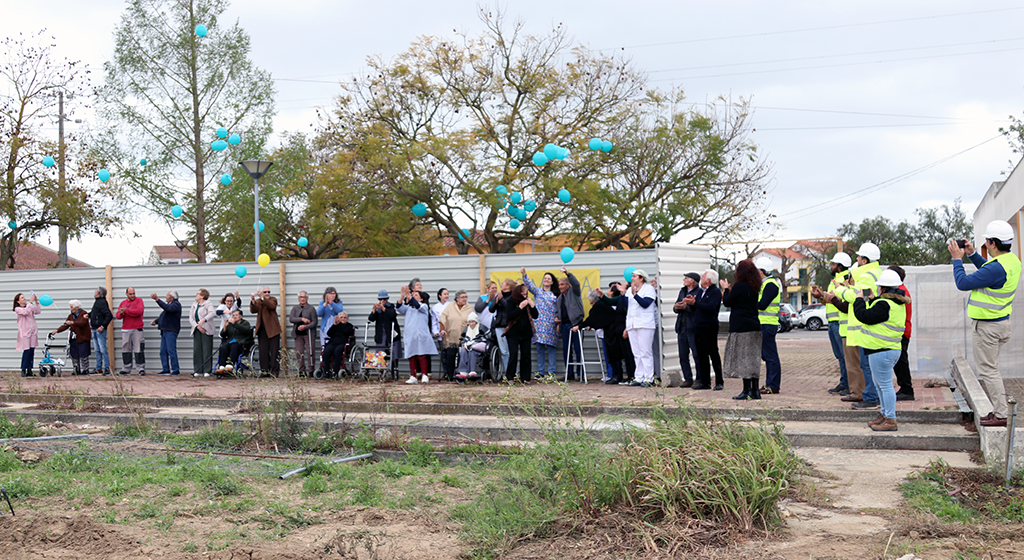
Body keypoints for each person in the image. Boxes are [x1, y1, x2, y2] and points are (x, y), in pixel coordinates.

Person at [950, 220, 1020, 427]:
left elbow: (963, 283)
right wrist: (972, 254)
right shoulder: (1011, 261)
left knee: (989, 371)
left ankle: (1000, 414)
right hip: (1000, 324)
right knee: (992, 369)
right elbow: (989, 271)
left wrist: (957, 260)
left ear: (991, 243)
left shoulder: (997, 268)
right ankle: (999, 411)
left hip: (988, 327)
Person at [852, 269, 909, 432]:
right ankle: (885, 415)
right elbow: (879, 315)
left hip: (882, 350)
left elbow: (864, 315)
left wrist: (859, 300)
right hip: (886, 349)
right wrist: (872, 299)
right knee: (881, 385)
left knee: (884, 386)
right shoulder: (895, 303)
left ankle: (890, 418)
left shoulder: (884, 304)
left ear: (883, 288)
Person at [837, 242, 882, 410]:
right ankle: (871, 396)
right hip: (867, 325)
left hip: (864, 326)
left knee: (866, 365)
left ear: (865, 260)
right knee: (868, 365)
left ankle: (871, 397)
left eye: (859, 256)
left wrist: (839, 290)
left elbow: (855, 297)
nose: (856, 258)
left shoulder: (867, 275)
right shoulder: (875, 272)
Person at [721, 260, 763, 400]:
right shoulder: (755, 286)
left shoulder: (739, 286)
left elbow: (727, 302)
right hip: (754, 326)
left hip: (741, 327)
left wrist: (726, 289)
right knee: (753, 358)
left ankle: (746, 390)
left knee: (743, 359)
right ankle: (755, 390)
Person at [812, 252, 852, 395]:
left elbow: (839, 300)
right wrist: (821, 297)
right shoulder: (835, 279)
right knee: (840, 356)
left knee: (845, 356)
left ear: (840, 266)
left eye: (834, 264)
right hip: (833, 322)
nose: (832, 266)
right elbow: (829, 300)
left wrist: (824, 297)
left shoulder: (845, 279)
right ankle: (844, 383)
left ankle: (848, 385)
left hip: (840, 322)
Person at [622, 269, 659, 387]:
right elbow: (625, 305)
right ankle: (639, 376)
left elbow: (645, 303)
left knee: (645, 352)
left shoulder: (648, 289)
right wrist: (623, 294)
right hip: (632, 324)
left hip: (645, 324)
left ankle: (649, 377)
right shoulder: (629, 290)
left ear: (641, 278)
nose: (632, 278)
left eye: (634, 276)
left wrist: (635, 295)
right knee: (636, 352)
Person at [522, 268, 560, 379]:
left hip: (551, 325)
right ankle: (540, 372)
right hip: (538, 324)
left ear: (552, 282)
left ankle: (551, 373)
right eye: (545, 278)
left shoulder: (556, 295)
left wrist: (558, 322)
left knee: (551, 349)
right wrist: (524, 274)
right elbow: (528, 285)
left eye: (549, 278)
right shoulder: (538, 292)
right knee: (540, 350)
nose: (546, 280)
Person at [753, 257, 782, 395]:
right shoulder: (766, 284)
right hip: (764, 324)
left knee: (770, 356)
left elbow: (763, 305)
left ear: (760, 272)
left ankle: (773, 385)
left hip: (768, 325)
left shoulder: (770, 285)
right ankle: (771, 384)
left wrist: (749, 302)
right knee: (768, 356)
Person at [398, 286, 439, 383]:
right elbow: (398, 307)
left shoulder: (423, 307)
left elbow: (416, 305)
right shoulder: (408, 308)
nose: (412, 296)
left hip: (420, 335)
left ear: (421, 298)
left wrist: (408, 295)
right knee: (411, 356)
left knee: (422, 355)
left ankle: (424, 375)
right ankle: (413, 376)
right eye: (412, 295)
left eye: (415, 295)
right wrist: (402, 296)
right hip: (410, 335)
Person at [692, 269, 723, 390]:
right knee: (701, 354)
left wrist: (695, 303)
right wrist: (691, 302)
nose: (701, 278)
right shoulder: (701, 291)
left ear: (709, 280)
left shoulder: (715, 292)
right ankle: (705, 381)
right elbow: (698, 307)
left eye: (703, 276)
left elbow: (711, 307)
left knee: (713, 353)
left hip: (709, 326)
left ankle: (719, 381)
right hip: (699, 325)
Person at [888, 265, 915, 401]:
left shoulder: (900, 292)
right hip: (903, 330)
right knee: (900, 361)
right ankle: (905, 388)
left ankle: (906, 389)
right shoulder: (901, 290)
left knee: (901, 361)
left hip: (902, 331)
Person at [578, 288, 615, 380]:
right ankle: (611, 373)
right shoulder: (603, 305)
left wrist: (580, 326)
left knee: (609, 354)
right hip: (606, 332)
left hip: (609, 332)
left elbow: (592, 318)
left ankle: (611, 374)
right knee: (608, 353)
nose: (591, 305)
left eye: (591, 303)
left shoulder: (599, 306)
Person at [504, 283, 538, 382]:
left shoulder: (527, 301)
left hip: (526, 333)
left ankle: (525, 378)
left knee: (526, 355)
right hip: (513, 333)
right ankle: (510, 377)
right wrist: (519, 308)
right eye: (523, 294)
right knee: (513, 354)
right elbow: (509, 316)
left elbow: (535, 316)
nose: (524, 296)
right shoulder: (511, 301)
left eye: (526, 294)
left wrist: (532, 306)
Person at [555, 268, 584, 380]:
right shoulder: (559, 299)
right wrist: (557, 319)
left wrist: (568, 273)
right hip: (565, 326)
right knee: (567, 351)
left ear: (568, 285)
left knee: (578, 349)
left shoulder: (574, 292)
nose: (560, 287)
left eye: (562, 284)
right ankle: (569, 374)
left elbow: (576, 283)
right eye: (559, 285)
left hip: (576, 324)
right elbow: (558, 312)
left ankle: (580, 374)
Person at [672, 272, 701, 387]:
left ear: (692, 280)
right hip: (682, 326)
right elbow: (676, 307)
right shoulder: (682, 291)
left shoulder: (699, 292)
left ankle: (699, 378)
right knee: (683, 355)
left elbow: (699, 308)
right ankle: (688, 378)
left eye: (686, 278)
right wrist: (676, 307)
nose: (684, 279)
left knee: (697, 355)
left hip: (693, 327)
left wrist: (687, 307)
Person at [439, 290, 473, 381]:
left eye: (466, 297)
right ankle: (450, 376)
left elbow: (474, 320)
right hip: (451, 336)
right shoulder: (450, 306)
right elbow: (443, 318)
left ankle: (462, 375)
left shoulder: (469, 307)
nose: (465, 299)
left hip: (464, 337)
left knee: (463, 356)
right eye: (462, 297)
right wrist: (442, 329)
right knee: (450, 356)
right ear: (457, 298)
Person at [53, 300, 92, 375]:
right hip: (73, 338)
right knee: (74, 354)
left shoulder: (84, 314)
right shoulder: (71, 316)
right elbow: (65, 325)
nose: (70, 309)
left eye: (72, 307)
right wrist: (57, 330)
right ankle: (76, 369)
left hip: (83, 337)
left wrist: (73, 322)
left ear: (77, 307)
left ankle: (85, 370)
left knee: (84, 354)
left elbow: (82, 323)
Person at [368, 289, 402, 376]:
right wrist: (375, 309)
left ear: (387, 299)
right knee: (380, 353)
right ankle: (381, 373)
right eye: (380, 299)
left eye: (384, 299)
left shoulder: (390, 306)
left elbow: (392, 315)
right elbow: (371, 318)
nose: (382, 301)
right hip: (381, 333)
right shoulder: (377, 308)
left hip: (391, 333)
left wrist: (383, 308)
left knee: (394, 352)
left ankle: (394, 371)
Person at [250, 286, 281, 377]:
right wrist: (253, 301)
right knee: (263, 352)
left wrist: (262, 298)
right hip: (262, 330)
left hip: (273, 330)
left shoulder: (273, 299)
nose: (267, 293)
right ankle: (265, 371)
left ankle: (275, 371)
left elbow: (271, 306)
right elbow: (253, 310)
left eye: (268, 292)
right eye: (265, 292)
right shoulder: (259, 301)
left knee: (274, 352)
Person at [116, 287, 146, 376]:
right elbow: (118, 316)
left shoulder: (139, 300)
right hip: (126, 329)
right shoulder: (123, 303)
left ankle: (140, 368)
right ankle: (126, 368)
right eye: (130, 294)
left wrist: (126, 311)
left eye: (133, 293)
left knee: (139, 348)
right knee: (126, 349)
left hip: (137, 328)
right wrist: (122, 312)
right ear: (126, 294)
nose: (132, 295)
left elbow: (138, 312)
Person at [151, 291, 182, 376]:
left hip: (171, 331)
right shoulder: (169, 305)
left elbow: (168, 309)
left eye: (167, 295)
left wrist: (157, 300)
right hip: (165, 331)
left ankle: (175, 370)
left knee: (171, 350)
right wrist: (156, 321)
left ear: (172, 297)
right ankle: (166, 369)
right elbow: (164, 316)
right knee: (163, 351)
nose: (165, 297)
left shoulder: (176, 305)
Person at [289, 291, 319, 376]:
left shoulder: (311, 308)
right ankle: (302, 371)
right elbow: (291, 319)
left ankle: (311, 369)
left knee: (310, 352)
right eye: (301, 297)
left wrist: (306, 326)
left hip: (308, 334)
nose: (302, 299)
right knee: (299, 353)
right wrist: (302, 319)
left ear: (307, 298)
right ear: (298, 298)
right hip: (298, 334)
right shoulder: (295, 308)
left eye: (304, 297)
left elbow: (314, 322)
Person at [188, 289, 216, 377]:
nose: (196, 295)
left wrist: (203, 320)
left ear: (202, 296)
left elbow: (212, 313)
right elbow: (191, 318)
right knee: (197, 350)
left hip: (206, 329)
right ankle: (198, 369)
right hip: (197, 329)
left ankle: (207, 370)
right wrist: (197, 326)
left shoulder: (208, 304)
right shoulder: (194, 305)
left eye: (198, 294)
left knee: (206, 350)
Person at [488, 279, 515, 370]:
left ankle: (514, 372)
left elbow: (509, 308)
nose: (501, 285)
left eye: (502, 284)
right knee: (504, 351)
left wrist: (502, 299)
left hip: (509, 326)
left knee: (512, 350)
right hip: (499, 326)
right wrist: (496, 301)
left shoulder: (513, 296)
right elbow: (491, 309)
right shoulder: (498, 296)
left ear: (507, 286)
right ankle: (507, 371)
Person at [216, 310, 252, 375]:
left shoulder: (245, 323)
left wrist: (235, 324)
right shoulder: (230, 324)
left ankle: (230, 366)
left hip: (240, 344)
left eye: (236, 315)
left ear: (241, 316)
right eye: (233, 315)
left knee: (234, 346)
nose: (234, 317)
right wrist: (225, 327)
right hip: (229, 342)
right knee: (223, 347)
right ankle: (222, 366)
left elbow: (246, 330)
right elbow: (223, 335)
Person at [455, 312, 489, 382]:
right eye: (469, 322)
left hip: (478, 348)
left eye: (473, 322)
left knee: (472, 351)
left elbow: (486, 339)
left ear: (476, 321)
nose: (471, 324)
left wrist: (470, 345)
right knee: (463, 351)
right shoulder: (466, 330)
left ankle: (472, 371)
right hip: (468, 347)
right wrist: (466, 345)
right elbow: (465, 340)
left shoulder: (482, 328)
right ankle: (463, 372)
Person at [14, 292, 41, 377]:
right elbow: (25, 312)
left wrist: (36, 302)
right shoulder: (18, 309)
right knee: (26, 350)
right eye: (22, 298)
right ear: (18, 301)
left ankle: (30, 369)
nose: (24, 299)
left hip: (32, 331)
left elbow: (37, 311)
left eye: (24, 297)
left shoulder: (29, 307)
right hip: (25, 332)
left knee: (32, 350)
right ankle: (23, 369)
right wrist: (30, 302)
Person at [322, 312, 356, 378]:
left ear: (347, 319)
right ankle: (326, 371)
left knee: (337, 352)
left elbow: (347, 332)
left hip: (342, 343)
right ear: (338, 318)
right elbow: (329, 334)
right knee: (326, 351)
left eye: (344, 317)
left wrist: (340, 325)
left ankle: (336, 371)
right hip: (333, 342)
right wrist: (334, 325)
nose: (343, 319)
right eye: (341, 317)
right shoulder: (335, 325)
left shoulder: (349, 326)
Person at [90, 287, 113, 376]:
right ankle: (98, 368)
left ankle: (107, 368)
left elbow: (108, 315)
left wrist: (103, 326)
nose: (94, 292)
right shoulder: (97, 302)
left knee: (102, 349)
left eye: (96, 291)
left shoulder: (102, 302)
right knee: (97, 349)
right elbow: (96, 314)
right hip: (94, 328)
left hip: (99, 329)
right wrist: (88, 315)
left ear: (99, 293)